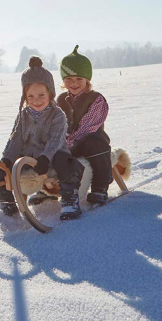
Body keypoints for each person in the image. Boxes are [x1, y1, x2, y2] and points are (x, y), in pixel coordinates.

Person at [0, 57, 85, 220]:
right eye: (30, 96)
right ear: (25, 97)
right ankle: (7, 201)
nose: (36, 100)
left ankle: (70, 199)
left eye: (41, 94)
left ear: (50, 93)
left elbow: (55, 141)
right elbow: (15, 139)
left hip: (52, 160)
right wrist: (7, 160)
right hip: (27, 161)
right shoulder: (23, 115)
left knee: (66, 162)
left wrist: (45, 158)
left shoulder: (57, 115)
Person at [57, 45, 112, 205]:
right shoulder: (61, 100)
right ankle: (47, 188)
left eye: (79, 79)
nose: (74, 83)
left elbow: (88, 127)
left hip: (90, 142)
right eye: (69, 79)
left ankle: (100, 187)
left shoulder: (96, 99)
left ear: (87, 79)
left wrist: (69, 143)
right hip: (69, 144)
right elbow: (56, 122)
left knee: (95, 144)